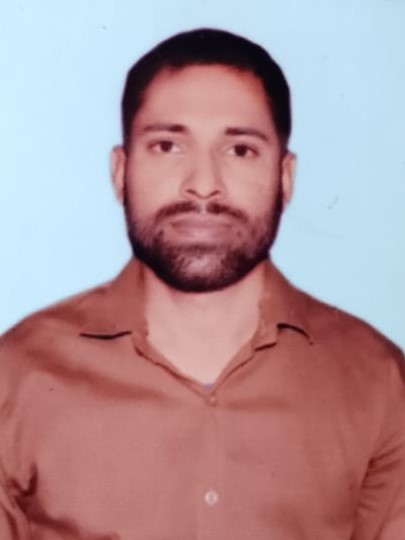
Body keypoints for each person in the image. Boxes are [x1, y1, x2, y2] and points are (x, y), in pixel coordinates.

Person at [0, 27, 404, 540]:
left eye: (240, 150)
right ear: (120, 172)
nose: (204, 184)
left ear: (286, 177)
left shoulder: (378, 381)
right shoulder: (17, 375)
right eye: (168, 146)